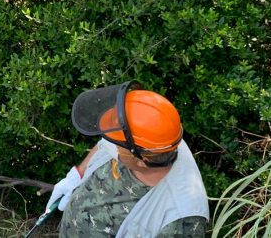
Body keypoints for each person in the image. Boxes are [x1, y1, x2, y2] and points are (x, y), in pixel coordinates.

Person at [45, 81, 209, 237]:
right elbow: (105, 143)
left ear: (141, 160)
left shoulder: (181, 220)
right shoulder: (160, 136)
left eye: (115, 144)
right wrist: (78, 174)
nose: (107, 143)